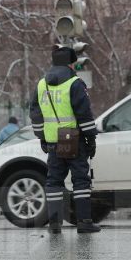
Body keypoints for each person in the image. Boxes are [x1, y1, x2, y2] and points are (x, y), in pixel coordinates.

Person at [30, 45, 99, 235]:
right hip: (73, 139)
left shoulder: (41, 84)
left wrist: (42, 138)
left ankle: (54, 224)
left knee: (53, 182)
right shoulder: (75, 83)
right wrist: (91, 139)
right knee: (81, 181)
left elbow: (35, 114)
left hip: (53, 141)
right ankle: (84, 222)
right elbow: (84, 114)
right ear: (71, 63)